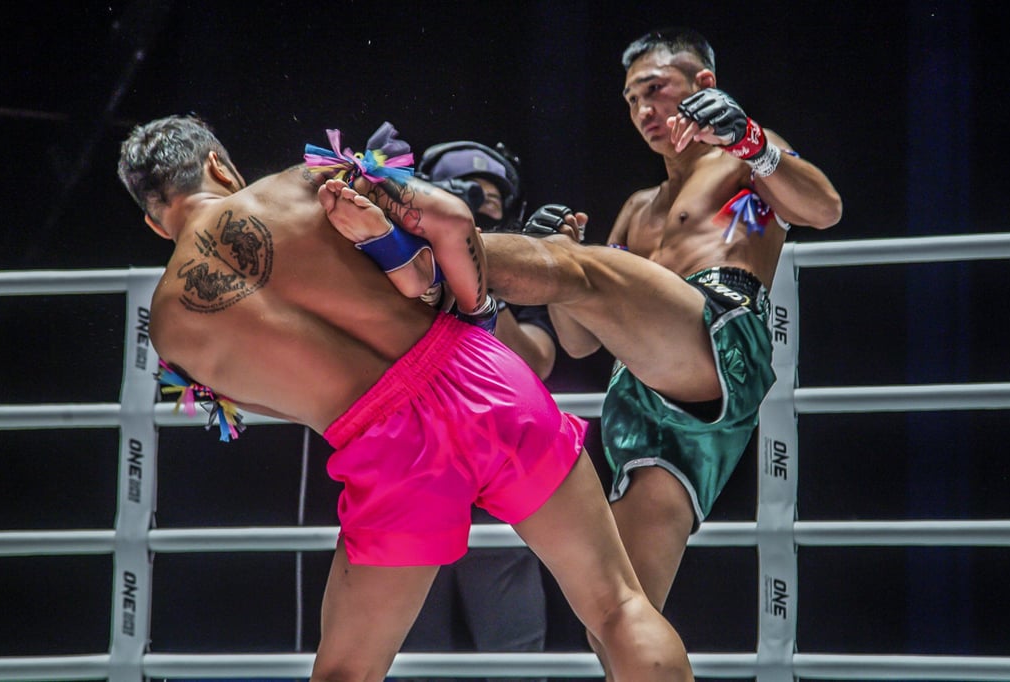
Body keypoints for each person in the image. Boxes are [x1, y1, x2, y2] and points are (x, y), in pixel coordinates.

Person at [117, 114, 694, 682]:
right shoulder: (307, 180)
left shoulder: (170, 331)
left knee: (348, 670)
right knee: (618, 606)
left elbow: (276, 404)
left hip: (383, 446)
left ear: (153, 222)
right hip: (478, 375)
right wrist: (476, 312)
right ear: (219, 163)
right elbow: (452, 217)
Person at [474, 26, 843, 677]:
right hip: (642, 403)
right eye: (630, 100)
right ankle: (488, 261)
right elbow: (579, 341)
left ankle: (428, 248)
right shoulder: (637, 210)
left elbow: (824, 208)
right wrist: (558, 263)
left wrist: (751, 140)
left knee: (579, 271)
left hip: (716, 342)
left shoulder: (741, 166)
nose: (644, 111)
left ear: (705, 85)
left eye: (655, 90)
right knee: (618, 618)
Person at [393, 141, 558, 682]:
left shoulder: (522, 271)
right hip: (412, 470)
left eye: (489, 200)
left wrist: (478, 281)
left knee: (514, 652)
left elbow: (538, 360)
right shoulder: (397, 258)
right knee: (416, 654)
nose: (479, 207)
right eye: (464, 197)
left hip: (496, 471)